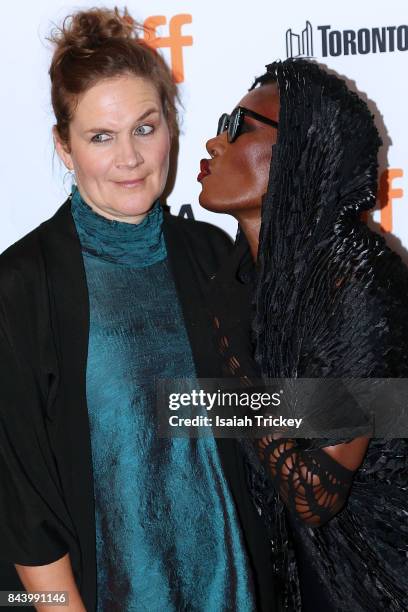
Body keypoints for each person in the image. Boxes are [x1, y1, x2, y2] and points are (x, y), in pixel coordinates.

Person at [0, 8, 278, 611]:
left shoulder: (211, 255)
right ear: (63, 146)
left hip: (235, 593)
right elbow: (22, 502)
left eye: (145, 128)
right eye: (101, 136)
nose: (129, 158)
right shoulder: (22, 286)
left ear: (170, 127)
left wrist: (377, 403)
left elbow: (257, 416)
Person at [199, 58, 408, 611]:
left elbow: (313, 489)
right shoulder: (241, 275)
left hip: (376, 582)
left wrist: (232, 349)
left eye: (237, 127)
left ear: (300, 153)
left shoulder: (356, 279)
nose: (214, 144)